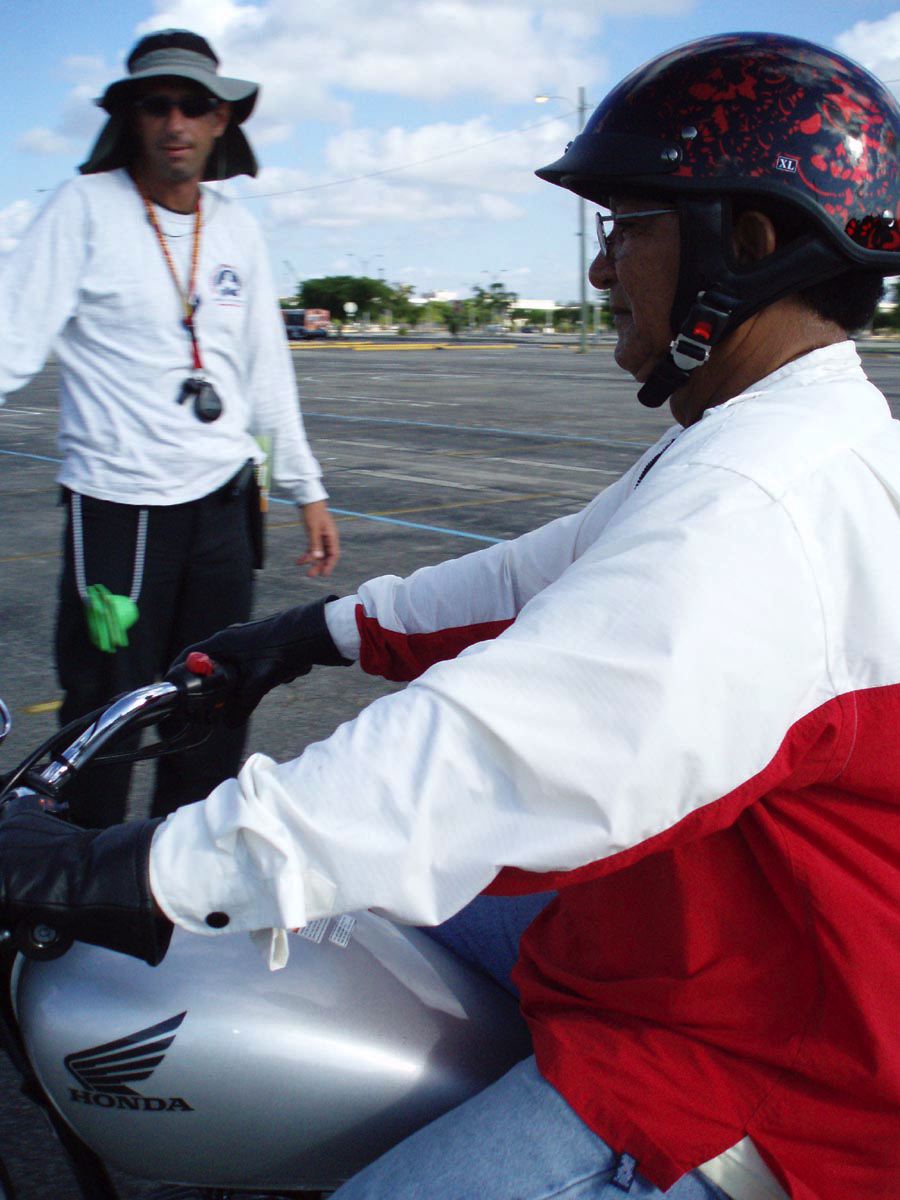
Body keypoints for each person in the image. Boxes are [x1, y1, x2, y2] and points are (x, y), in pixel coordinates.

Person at [2, 31, 900, 1200]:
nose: (600, 270)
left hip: (754, 1061)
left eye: (626, 225)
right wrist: (313, 634)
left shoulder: (758, 505)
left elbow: (487, 757)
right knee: (348, 919)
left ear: (751, 244)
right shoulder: (780, 440)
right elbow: (542, 575)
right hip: (699, 929)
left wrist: (142, 868)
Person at [0, 29, 339, 827]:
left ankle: (182, 875)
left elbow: (264, 370)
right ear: (132, 118)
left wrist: (307, 489)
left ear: (223, 119)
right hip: (119, 509)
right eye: (157, 105)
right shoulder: (83, 209)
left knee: (214, 702)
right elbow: (9, 339)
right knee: (104, 713)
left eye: (195, 105)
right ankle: (79, 881)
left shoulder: (235, 227)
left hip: (224, 506)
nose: (176, 121)